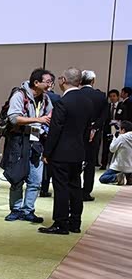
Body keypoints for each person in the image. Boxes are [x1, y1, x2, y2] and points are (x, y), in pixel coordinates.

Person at [39, 67, 93, 235]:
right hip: (78, 151)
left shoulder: (63, 102)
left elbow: (55, 130)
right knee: (75, 187)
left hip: (61, 153)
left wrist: (47, 152)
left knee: (61, 188)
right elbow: (87, 130)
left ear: (63, 80)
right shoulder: (87, 102)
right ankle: (75, 222)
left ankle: (61, 223)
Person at [3, 68, 53, 223]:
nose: (50, 84)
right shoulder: (19, 95)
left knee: (36, 180)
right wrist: (38, 120)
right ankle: (15, 210)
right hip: (19, 141)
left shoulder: (45, 98)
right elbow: (13, 118)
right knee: (17, 178)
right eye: (48, 81)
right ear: (36, 82)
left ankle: (28, 210)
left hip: (36, 141)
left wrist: (47, 120)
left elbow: (50, 114)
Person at [78, 70, 107, 202]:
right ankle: (86, 192)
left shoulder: (76, 94)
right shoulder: (100, 96)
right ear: (93, 81)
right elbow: (104, 117)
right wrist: (94, 128)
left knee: (75, 162)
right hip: (94, 134)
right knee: (90, 164)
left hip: (77, 133)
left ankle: (74, 190)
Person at [39, 79, 60, 198]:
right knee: (47, 161)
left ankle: (35, 184)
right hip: (50, 132)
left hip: (36, 130)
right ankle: (44, 188)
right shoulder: (57, 98)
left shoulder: (37, 96)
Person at [99, 120, 132, 185]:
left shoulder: (122, 137)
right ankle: (129, 177)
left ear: (123, 130)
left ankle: (117, 177)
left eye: (120, 129)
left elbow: (112, 149)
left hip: (119, 167)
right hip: (131, 167)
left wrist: (114, 138)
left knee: (102, 178)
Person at [102, 89, 121, 169]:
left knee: (116, 147)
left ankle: (114, 165)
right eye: (110, 96)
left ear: (118, 97)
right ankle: (104, 164)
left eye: (114, 96)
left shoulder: (122, 106)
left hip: (117, 130)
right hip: (107, 129)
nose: (112, 98)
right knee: (105, 147)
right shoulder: (107, 106)